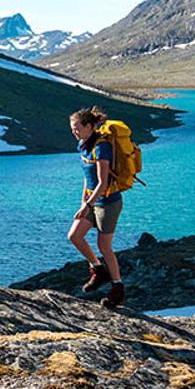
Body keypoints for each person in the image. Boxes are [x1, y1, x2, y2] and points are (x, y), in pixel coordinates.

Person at [68, 107, 125, 308]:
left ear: (90, 126)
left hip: (108, 203)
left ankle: (117, 288)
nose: (74, 132)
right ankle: (98, 269)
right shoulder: (83, 145)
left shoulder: (102, 147)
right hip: (92, 201)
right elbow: (88, 178)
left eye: (77, 128)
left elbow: (102, 182)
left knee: (104, 246)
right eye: (72, 128)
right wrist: (84, 202)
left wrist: (88, 205)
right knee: (74, 236)